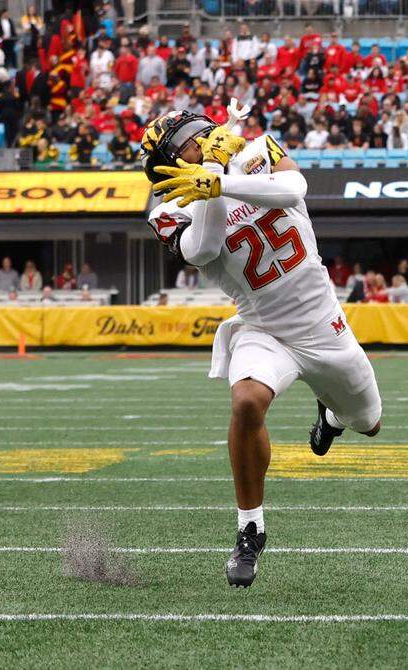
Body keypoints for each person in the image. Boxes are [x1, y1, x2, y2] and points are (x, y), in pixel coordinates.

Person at [142, 108, 382, 588]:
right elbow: (206, 247)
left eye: (203, 128)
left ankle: (331, 415)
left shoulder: (257, 151)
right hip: (263, 328)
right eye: (189, 139)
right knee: (247, 401)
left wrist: (223, 180)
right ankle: (250, 528)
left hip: (323, 325)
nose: (205, 138)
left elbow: (295, 191)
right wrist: (211, 181)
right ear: (171, 160)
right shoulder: (168, 210)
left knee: (368, 423)